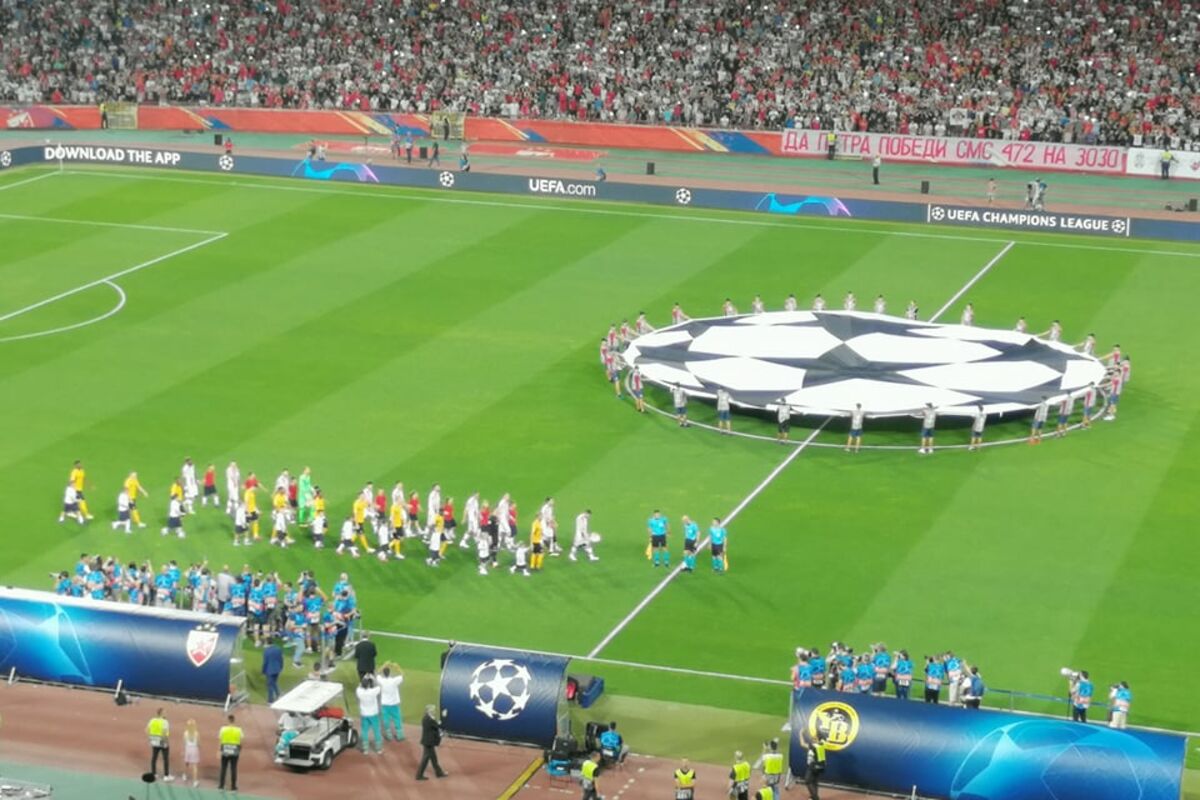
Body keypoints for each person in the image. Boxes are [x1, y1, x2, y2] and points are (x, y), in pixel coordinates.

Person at [416, 705, 448, 780]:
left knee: (434, 759)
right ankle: (419, 775)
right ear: (428, 711)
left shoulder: (427, 718)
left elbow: (434, 728)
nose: (434, 711)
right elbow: (438, 726)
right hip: (429, 742)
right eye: (433, 710)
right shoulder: (429, 720)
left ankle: (439, 773)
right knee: (425, 759)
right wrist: (443, 716)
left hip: (428, 741)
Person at [357, 674, 384, 754]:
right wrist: (373, 678)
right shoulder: (373, 691)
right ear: (369, 684)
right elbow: (379, 686)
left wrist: (365, 677)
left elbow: (359, 686)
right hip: (373, 714)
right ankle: (378, 749)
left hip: (364, 714)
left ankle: (365, 749)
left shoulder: (359, 691)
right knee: (376, 730)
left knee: (364, 731)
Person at [378, 664, 405, 741]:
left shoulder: (382, 681)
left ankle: (389, 736)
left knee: (386, 720)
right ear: (389, 673)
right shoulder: (394, 681)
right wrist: (397, 667)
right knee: (397, 719)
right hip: (394, 704)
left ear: (384, 674)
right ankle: (400, 735)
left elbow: (377, 674)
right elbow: (403, 675)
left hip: (385, 704)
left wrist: (383, 665)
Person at [147, 708, 174, 782]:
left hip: (154, 741)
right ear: (162, 713)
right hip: (162, 741)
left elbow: (147, 730)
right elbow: (164, 732)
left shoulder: (152, 720)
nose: (166, 714)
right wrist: (165, 742)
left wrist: (150, 739)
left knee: (154, 757)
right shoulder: (165, 722)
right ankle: (166, 776)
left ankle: (154, 774)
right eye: (165, 712)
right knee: (165, 758)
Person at [217, 714, 243, 792]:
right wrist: (239, 750)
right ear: (234, 720)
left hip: (225, 749)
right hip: (235, 750)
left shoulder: (223, 729)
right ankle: (233, 787)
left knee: (223, 768)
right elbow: (241, 741)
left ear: (228, 720)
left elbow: (220, 740)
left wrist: (219, 750)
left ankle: (221, 786)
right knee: (233, 768)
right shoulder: (239, 730)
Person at [802, 732, 827, 800]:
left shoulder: (813, 746)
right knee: (815, 782)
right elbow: (823, 738)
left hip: (814, 766)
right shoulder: (822, 744)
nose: (813, 739)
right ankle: (813, 797)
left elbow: (802, 744)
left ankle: (816, 798)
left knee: (807, 780)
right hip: (821, 766)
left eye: (815, 738)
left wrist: (801, 733)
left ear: (818, 739)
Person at [262, 636, 283, 703]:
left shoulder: (266, 651)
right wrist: (281, 667)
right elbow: (281, 659)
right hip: (277, 669)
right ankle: (278, 694)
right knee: (274, 682)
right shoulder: (278, 649)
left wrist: (263, 671)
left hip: (269, 670)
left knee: (270, 685)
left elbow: (265, 662)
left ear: (267, 642)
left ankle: (270, 700)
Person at [183, 719, 200, 787]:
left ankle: (184, 775)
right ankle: (195, 782)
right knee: (195, 766)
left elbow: (184, 742)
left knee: (186, 763)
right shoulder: (196, 733)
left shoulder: (185, 733)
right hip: (194, 749)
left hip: (188, 748)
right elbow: (198, 743)